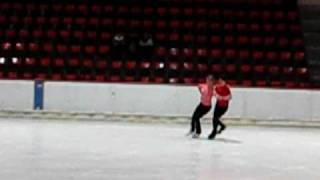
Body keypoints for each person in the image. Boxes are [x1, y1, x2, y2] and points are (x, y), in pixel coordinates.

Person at [208, 75, 232, 140]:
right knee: (214, 118)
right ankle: (219, 127)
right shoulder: (217, 86)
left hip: (224, 107)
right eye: (220, 81)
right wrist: (217, 96)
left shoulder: (226, 87)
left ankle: (215, 131)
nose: (220, 82)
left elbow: (230, 97)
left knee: (215, 118)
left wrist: (222, 98)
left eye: (222, 81)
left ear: (224, 82)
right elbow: (214, 93)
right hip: (218, 105)